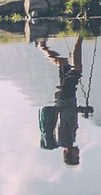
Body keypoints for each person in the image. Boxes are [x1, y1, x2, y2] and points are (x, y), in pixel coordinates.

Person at [35, 34, 92, 166]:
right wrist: (80, 110)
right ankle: (42, 47)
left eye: (76, 157)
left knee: (77, 69)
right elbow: (66, 116)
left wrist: (80, 109)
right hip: (64, 98)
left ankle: (80, 36)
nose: (78, 154)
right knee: (64, 64)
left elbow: (65, 115)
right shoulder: (66, 140)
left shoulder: (66, 140)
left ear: (69, 154)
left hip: (66, 97)